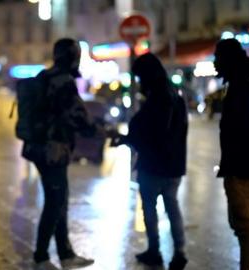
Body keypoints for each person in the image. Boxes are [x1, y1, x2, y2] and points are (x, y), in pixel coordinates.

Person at [25, 38, 99, 270]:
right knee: (55, 202)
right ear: (73, 56)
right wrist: (99, 130)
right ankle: (41, 257)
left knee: (60, 201)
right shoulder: (63, 81)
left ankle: (66, 255)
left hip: (38, 148)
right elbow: (79, 117)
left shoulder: (43, 77)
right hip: (53, 151)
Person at [109, 53, 188, 269]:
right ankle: (179, 250)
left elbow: (146, 131)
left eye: (140, 77)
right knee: (172, 207)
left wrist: (126, 139)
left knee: (151, 208)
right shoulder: (176, 97)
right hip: (173, 165)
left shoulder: (156, 100)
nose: (138, 82)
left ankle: (155, 250)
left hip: (153, 165)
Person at [213, 38, 249, 270]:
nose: (215, 64)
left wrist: (235, 164)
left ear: (228, 60)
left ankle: (248, 267)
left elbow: (242, 128)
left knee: (243, 223)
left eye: (218, 58)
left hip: (242, 165)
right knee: (241, 220)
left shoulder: (242, 86)